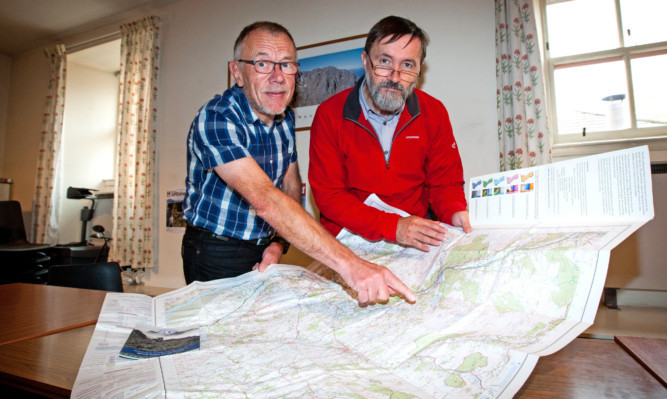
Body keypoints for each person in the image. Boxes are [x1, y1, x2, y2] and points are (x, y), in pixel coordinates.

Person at [182, 21, 414, 305]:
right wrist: (351, 265)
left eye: (287, 65)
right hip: (214, 250)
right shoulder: (217, 117)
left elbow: (290, 182)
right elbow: (266, 199)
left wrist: (279, 242)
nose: (278, 77)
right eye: (263, 64)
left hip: (264, 246)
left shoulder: (284, 117)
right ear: (237, 73)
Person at [309, 16, 472, 252]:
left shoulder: (434, 112)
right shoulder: (329, 114)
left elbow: (445, 182)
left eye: (407, 65)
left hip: (413, 241)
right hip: (348, 242)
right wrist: (394, 226)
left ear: (419, 70)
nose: (395, 77)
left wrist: (455, 211)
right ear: (365, 61)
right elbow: (330, 197)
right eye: (384, 61)